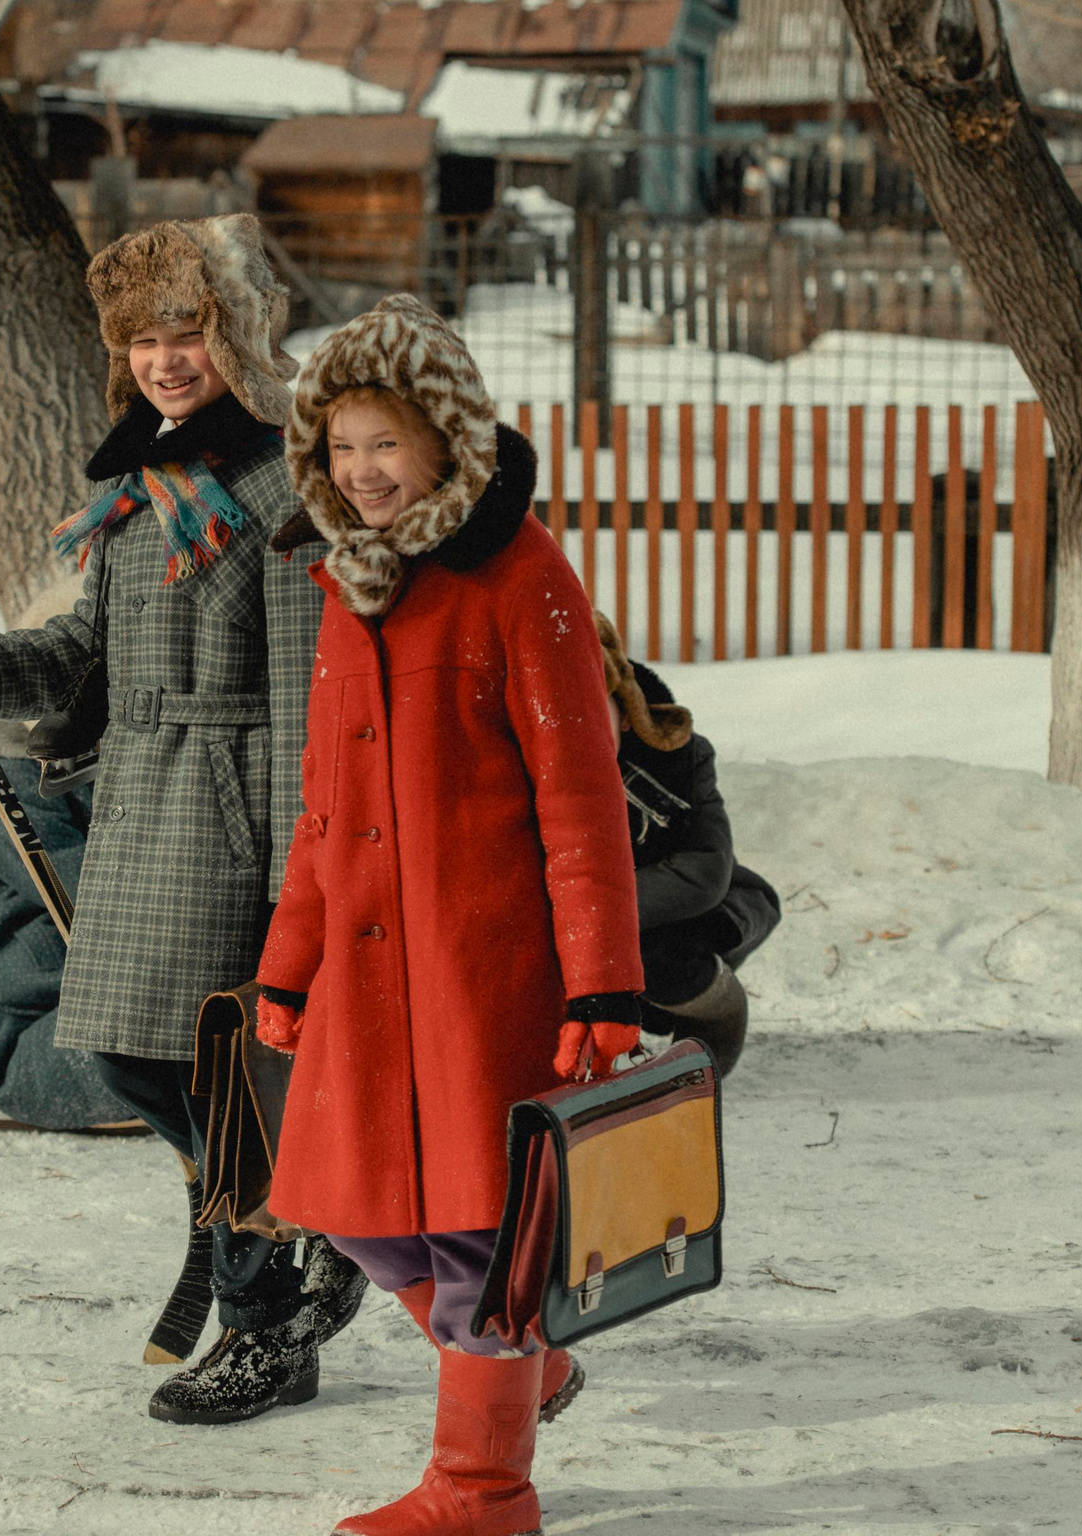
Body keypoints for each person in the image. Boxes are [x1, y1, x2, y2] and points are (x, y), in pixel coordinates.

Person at [0, 214, 365, 1424]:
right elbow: (81, 651)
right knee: (122, 1054)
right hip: (145, 808)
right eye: (144, 339)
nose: (165, 360)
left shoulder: (277, 482)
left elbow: (309, 688)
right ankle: (310, 1248)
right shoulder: (143, 478)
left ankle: (268, 1325)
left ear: (237, 338)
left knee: (232, 1084)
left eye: (188, 335)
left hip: (239, 818)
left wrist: (294, 881)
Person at [252, 295, 643, 1536]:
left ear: (447, 442)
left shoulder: (519, 577)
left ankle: (483, 1491)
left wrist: (600, 988)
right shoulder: (348, 584)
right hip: (367, 986)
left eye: (385, 444)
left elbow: (581, 801)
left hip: (485, 979)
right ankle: (523, 1364)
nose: (360, 473)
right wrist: (286, 965)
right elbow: (324, 807)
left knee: (478, 1237)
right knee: (362, 1221)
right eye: (340, 447)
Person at [593, 614, 780, 1079]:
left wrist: (592, 909)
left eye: (594, 713)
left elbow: (704, 869)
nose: (579, 736)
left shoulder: (675, 762)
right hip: (593, 925)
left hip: (687, 916)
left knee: (659, 954)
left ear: (628, 712)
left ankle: (702, 1042)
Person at [0, 713, 138, 1132]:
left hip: (89, 972)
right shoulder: (14, 777)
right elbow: (76, 887)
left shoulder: (86, 758)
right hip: (41, 990)